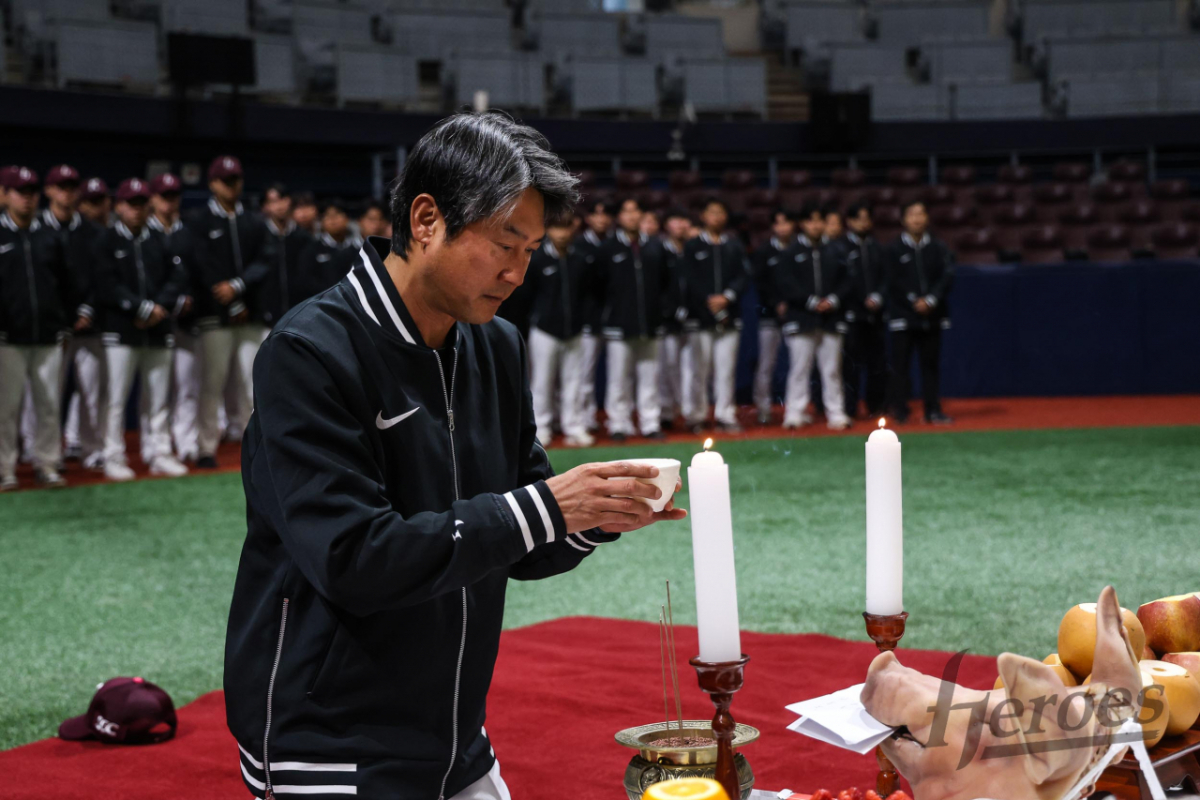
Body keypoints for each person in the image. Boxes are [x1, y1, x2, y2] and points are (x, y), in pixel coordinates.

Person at [224, 111, 685, 800]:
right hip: (328, 747)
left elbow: (519, 542)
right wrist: (546, 507)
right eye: (505, 242)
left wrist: (594, 515)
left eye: (532, 249)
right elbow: (352, 559)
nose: (518, 271)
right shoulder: (308, 353)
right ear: (426, 219)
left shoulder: (494, 345)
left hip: (455, 741)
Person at [93, 179, 190, 481]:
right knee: (116, 399)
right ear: (119, 206)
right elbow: (106, 284)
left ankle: (159, 452)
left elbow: (177, 276)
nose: (136, 210)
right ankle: (113, 455)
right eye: (130, 203)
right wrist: (140, 308)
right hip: (121, 331)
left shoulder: (160, 240)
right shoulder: (107, 241)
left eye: (140, 203)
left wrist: (157, 307)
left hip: (158, 329)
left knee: (159, 397)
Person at [185, 155, 266, 469]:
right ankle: (206, 447)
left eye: (236, 180)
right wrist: (231, 299)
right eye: (226, 180)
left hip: (250, 314)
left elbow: (265, 260)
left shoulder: (253, 221)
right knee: (212, 384)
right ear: (213, 183)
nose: (232, 186)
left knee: (251, 385)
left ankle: (254, 451)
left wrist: (238, 287)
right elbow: (202, 268)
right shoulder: (200, 220)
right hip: (213, 316)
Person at [0, 167, 72, 490]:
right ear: (4, 194)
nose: (26, 197)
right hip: (7, 338)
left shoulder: (49, 236)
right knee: (6, 407)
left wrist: (64, 324)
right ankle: (5, 469)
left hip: (47, 335)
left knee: (48, 405)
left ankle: (46, 464)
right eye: (19, 190)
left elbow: (66, 284)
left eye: (31, 190)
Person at [40, 164, 105, 469]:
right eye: (60, 187)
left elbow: (101, 276)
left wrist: (86, 309)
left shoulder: (91, 232)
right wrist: (60, 318)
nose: (66, 193)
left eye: (71, 187)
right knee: (45, 396)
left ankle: (91, 451)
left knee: (92, 395)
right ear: (49, 190)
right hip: (51, 327)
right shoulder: (38, 229)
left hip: (89, 325)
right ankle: (42, 451)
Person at [596, 198, 675, 441]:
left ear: (641, 215)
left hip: (650, 325)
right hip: (619, 325)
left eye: (635, 211)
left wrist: (661, 314)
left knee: (650, 378)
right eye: (626, 211)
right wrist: (607, 316)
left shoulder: (655, 247)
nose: (631, 216)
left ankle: (650, 423)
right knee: (619, 379)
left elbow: (667, 284)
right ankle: (618, 424)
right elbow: (596, 287)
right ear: (619, 217)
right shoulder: (608, 248)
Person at [773, 204, 851, 430]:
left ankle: (836, 413)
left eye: (820, 221)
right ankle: (795, 414)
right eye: (810, 220)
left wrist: (833, 300)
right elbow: (785, 283)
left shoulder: (836, 251)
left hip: (831, 319)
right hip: (801, 318)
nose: (815, 225)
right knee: (799, 369)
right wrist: (811, 301)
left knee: (832, 370)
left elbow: (848, 281)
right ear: (803, 224)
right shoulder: (790, 252)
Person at [680, 197, 748, 433]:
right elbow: (689, 279)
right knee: (700, 370)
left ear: (725, 217)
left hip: (729, 317)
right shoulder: (693, 246)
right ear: (703, 216)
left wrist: (727, 297)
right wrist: (709, 300)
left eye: (720, 212)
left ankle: (725, 415)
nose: (716, 217)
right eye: (712, 212)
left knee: (726, 370)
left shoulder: (734, 245)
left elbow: (743, 276)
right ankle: (696, 416)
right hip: (701, 318)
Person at [146, 173, 201, 463]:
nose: (169, 202)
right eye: (164, 196)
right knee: (155, 389)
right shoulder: (146, 233)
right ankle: (151, 444)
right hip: (154, 321)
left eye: (174, 196)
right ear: (153, 198)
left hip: (186, 322)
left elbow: (198, 274)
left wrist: (188, 299)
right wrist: (168, 302)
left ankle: (187, 441)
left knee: (187, 386)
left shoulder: (187, 233)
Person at [884, 201, 954, 425]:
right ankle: (900, 410)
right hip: (903, 316)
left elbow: (946, 276)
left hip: (932, 316)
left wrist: (931, 300)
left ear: (927, 218)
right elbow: (891, 281)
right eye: (912, 215)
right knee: (901, 366)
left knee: (930, 365)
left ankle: (932, 410)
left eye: (920, 214)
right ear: (904, 219)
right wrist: (913, 300)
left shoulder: (938, 247)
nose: (917, 219)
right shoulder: (893, 249)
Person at [526, 216, 592, 447]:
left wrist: (582, 321)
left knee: (574, 382)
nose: (561, 234)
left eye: (565, 227)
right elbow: (526, 296)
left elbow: (587, 295)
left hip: (574, 331)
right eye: (556, 228)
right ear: (547, 230)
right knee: (542, 381)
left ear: (573, 228)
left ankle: (574, 427)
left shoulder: (580, 259)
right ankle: (541, 428)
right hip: (544, 330)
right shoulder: (537, 259)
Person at [836, 203, 888, 419]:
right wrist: (860, 299)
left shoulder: (877, 247)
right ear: (849, 221)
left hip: (875, 315)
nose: (863, 223)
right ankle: (850, 408)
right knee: (850, 365)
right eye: (859, 218)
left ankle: (876, 406)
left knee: (877, 364)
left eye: (867, 218)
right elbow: (842, 280)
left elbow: (886, 277)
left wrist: (877, 296)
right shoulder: (840, 247)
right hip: (851, 314)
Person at [749, 208, 794, 425]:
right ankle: (764, 407)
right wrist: (776, 304)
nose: (783, 228)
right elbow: (760, 283)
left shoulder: (798, 250)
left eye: (786, 223)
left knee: (798, 365)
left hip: (797, 315)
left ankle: (795, 410)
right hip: (769, 317)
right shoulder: (764, 252)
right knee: (766, 364)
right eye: (778, 224)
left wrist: (792, 304)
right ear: (773, 227)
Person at [575, 200, 613, 432]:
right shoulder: (578, 245)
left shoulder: (615, 244)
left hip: (614, 319)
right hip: (587, 320)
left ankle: (615, 420)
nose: (601, 219)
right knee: (584, 374)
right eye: (596, 214)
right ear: (588, 219)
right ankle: (584, 419)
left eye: (605, 214)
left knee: (619, 377)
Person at [252, 183, 313, 327]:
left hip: (300, 317)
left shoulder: (303, 237)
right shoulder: (258, 236)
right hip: (265, 319)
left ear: (289, 201)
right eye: (273, 201)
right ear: (266, 206)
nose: (279, 206)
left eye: (282, 199)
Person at [657, 208, 691, 429]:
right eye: (675, 220)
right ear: (667, 225)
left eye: (683, 219)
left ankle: (689, 415)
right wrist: (671, 310)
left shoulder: (694, 249)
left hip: (694, 320)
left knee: (691, 371)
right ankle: (667, 413)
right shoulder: (659, 250)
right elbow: (657, 287)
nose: (680, 225)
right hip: (666, 321)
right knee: (666, 369)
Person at [294, 198, 360, 304]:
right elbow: (306, 282)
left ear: (347, 218)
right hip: (321, 306)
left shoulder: (358, 250)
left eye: (338, 214)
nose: (333, 219)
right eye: (328, 215)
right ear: (321, 221)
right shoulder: (312, 250)